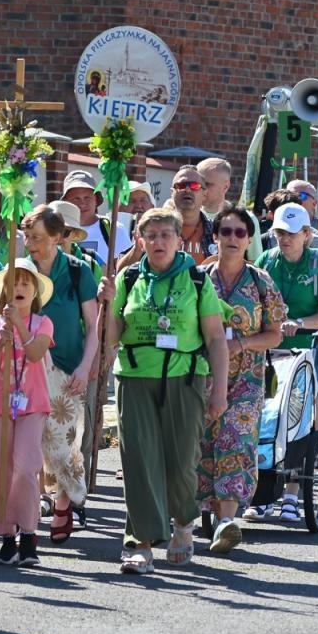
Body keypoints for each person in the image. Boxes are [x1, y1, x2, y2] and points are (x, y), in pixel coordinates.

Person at [100, 207, 228, 574]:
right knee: (139, 460)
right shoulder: (127, 279)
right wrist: (106, 305)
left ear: (178, 239)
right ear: (140, 241)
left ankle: (184, 524)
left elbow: (217, 340)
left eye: (165, 235)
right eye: (150, 236)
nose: (158, 242)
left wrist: (218, 391)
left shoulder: (197, 281)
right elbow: (109, 339)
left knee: (180, 463)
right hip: (135, 379)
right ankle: (140, 543)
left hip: (185, 380)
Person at [197, 206, 286, 553]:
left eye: (239, 233)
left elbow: (275, 334)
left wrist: (242, 344)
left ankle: (228, 522)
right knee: (205, 443)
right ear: (215, 236)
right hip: (203, 373)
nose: (232, 239)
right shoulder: (199, 277)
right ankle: (210, 512)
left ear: (249, 239)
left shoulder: (261, 281)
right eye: (225, 231)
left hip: (247, 377)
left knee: (235, 439)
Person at [21, 205, 100, 544]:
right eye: (27, 237)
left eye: (37, 237)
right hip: (26, 368)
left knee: (63, 442)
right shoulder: (20, 270)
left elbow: (94, 324)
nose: (30, 244)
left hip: (67, 367)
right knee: (33, 442)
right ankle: (35, 500)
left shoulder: (79, 272)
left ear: (57, 237)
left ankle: (64, 502)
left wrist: (85, 365)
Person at [257, 203, 318, 522]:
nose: (284, 238)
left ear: (307, 235)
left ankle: (292, 492)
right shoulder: (266, 261)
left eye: (291, 233)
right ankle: (261, 493)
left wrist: (300, 323)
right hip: (268, 352)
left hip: (307, 349)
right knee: (264, 418)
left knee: (298, 419)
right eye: (279, 232)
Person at [0, 259, 54, 568]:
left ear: (35, 291)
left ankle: (28, 534)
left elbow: (36, 353)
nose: (20, 287)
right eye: (15, 282)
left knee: (25, 467)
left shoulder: (43, 323)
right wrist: (1, 342)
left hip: (32, 405)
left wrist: (21, 328)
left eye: (27, 283)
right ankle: (7, 538)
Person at [62, 169, 131, 269]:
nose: (82, 203)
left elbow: (125, 270)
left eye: (87, 198)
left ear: (96, 200)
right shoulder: (56, 231)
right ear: (66, 202)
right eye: (76, 199)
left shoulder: (114, 229)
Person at [169, 164, 216, 259]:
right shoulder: (157, 228)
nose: (187, 189)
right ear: (172, 193)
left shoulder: (216, 231)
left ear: (204, 194)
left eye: (195, 186)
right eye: (181, 185)